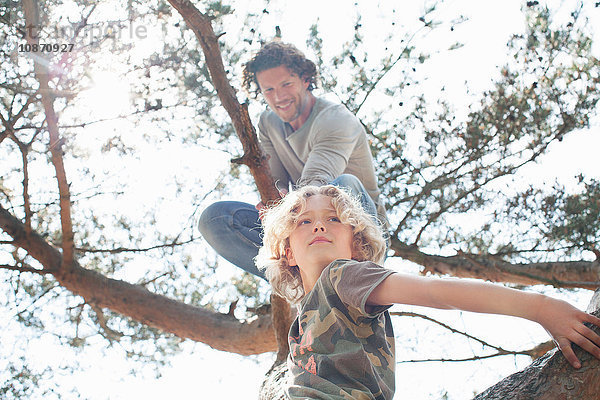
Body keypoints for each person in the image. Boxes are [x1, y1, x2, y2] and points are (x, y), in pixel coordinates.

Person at [255, 184, 600, 399]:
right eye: (303, 221)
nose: (318, 224)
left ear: (356, 245)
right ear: (286, 251)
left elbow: (436, 291)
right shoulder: (303, 318)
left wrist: (538, 307)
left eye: (333, 219)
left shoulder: (344, 276)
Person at [198, 41, 386, 279]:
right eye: (269, 90)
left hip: (359, 233)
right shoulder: (268, 123)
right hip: (303, 229)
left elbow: (316, 183)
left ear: (306, 80)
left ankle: (353, 277)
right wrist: (272, 208)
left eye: (286, 84)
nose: (279, 97)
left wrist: (283, 210)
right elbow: (275, 188)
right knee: (215, 218)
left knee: (343, 185)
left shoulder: (336, 119)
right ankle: (298, 280)